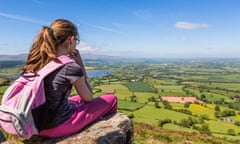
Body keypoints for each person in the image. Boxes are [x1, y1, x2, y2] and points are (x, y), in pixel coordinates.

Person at [22, 19, 118, 138]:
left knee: (77, 98)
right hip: (56, 126)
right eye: (76, 41)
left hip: (33, 123)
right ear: (71, 40)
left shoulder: (38, 61)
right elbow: (88, 97)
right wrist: (81, 66)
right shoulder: (69, 67)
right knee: (112, 99)